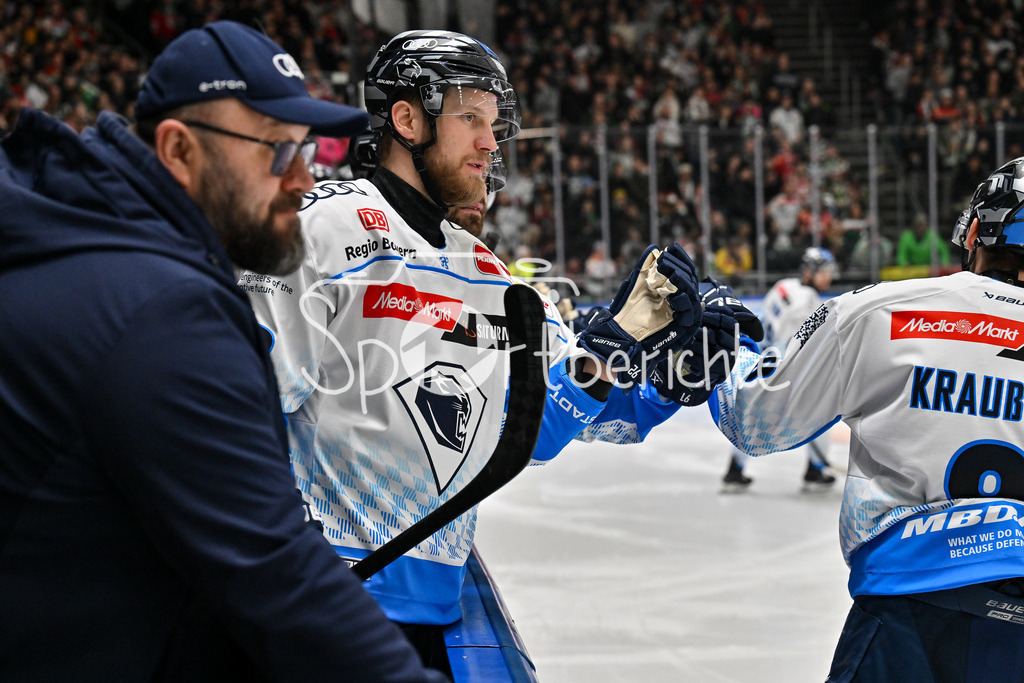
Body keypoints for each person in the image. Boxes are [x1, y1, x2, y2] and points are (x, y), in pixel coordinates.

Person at [239, 29, 706, 670]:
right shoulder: (321, 226)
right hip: (323, 602)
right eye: (470, 118)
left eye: (494, 122)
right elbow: (244, 409)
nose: (491, 142)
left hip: (433, 610)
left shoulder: (489, 275)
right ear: (406, 119)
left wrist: (656, 360)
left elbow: (544, 428)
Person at [0, 21, 447, 681]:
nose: (303, 180)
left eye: (308, 152)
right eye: (275, 152)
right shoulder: (161, 311)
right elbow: (276, 571)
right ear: (179, 150)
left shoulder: (88, 236)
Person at [706, 157, 1024, 680]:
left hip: (911, 615)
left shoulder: (881, 309)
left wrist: (726, 345)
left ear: (975, 234)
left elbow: (752, 420)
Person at [721, 247, 840, 491]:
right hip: (779, 367)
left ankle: (735, 469)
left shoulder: (784, 285)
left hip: (758, 358)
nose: (828, 277)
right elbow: (796, 345)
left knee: (753, 417)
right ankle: (815, 470)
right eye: (823, 271)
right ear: (808, 272)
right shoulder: (808, 301)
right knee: (820, 412)